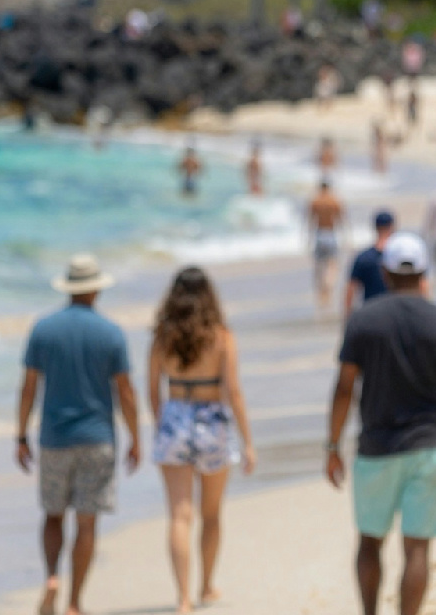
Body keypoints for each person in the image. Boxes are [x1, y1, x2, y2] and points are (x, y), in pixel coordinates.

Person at [326, 233, 436, 615]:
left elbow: (345, 388)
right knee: (417, 548)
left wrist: (331, 447)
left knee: (370, 542)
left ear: (385, 272)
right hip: (429, 446)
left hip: (375, 447)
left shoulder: (363, 320)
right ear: (425, 272)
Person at [16, 255, 140, 615]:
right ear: (97, 288)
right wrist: (135, 438)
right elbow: (126, 393)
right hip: (98, 438)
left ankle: (52, 576)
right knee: (87, 523)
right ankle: (73, 602)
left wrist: (20, 435)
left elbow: (28, 388)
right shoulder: (111, 332)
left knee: (53, 515)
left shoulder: (43, 329)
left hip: (54, 438)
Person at [149, 268, 256, 614]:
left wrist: (160, 423)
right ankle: (206, 584)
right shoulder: (221, 335)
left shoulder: (162, 336)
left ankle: (182, 599)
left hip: (175, 415)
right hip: (212, 420)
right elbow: (234, 391)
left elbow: (152, 389)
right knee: (211, 514)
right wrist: (248, 441)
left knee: (180, 515)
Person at [346, 211, 395, 318]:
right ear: (392, 227)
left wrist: (348, 317)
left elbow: (351, 289)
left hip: (370, 313)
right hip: (395, 314)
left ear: (375, 227)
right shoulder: (399, 257)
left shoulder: (364, 257)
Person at [308, 181, 345, 311]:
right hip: (331, 234)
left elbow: (310, 222)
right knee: (333, 264)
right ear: (329, 188)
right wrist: (346, 238)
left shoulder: (315, 202)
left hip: (319, 234)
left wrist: (307, 239)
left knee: (319, 266)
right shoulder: (334, 201)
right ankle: (328, 285)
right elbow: (341, 221)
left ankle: (322, 293)